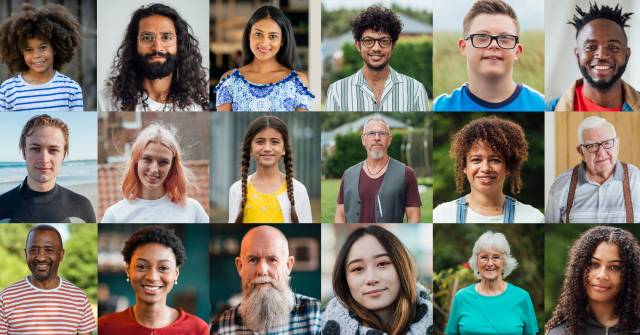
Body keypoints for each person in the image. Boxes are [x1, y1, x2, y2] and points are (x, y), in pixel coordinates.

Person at [433, 0, 544, 112]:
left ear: (517, 50)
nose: (494, 44)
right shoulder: (439, 106)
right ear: (463, 47)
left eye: (505, 38)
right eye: (482, 36)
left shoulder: (541, 104)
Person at [322, 225, 433, 335]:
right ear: (344, 279)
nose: (371, 279)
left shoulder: (436, 319)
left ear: (402, 268)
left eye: (382, 264)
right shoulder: (316, 326)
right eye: (358, 268)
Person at [98, 226, 209, 334]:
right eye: (141, 267)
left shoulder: (198, 329)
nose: (152, 277)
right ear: (128, 270)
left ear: (176, 274)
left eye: (163, 268)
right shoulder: (105, 328)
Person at [211, 225, 321, 334]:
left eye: (272, 260)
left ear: (288, 266)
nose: (262, 270)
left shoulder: (316, 317)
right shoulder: (221, 328)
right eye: (253, 260)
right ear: (240, 266)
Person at [433, 116, 544, 223]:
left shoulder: (532, 217)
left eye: (495, 160)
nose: (485, 168)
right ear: (464, 166)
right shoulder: (442, 215)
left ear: (508, 167)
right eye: (476, 160)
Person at [100, 3, 208, 111]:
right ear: (134, 45)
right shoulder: (105, 102)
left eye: (166, 37)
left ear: (179, 44)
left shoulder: (196, 108)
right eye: (147, 37)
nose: (157, 48)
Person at [325, 6, 429, 111]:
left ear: (393, 45)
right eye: (368, 40)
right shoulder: (337, 92)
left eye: (384, 41)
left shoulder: (416, 90)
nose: (376, 48)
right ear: (358, 45)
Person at [102, 123, 208, 223]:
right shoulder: (114, 215)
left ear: (172, 166)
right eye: (147, 159)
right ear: (136, 160)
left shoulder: (193, 210)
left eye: (163, 162)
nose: (154, 169)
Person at [214, 6, 313, 112]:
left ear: (282, 40)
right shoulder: (229, 81)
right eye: (258, 34)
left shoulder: (297, 81)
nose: (264, 43)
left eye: (273, 36)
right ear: (249, 35)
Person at [0, 225, 96, 334]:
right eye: (34, 250)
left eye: (49, 250)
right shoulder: (6, 298)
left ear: (61, 255)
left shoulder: (79, 299)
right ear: (26, 253)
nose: (41, 257)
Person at [0, 114, 95, 223]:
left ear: (63, 155)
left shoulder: (81, 206)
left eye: (53, 150)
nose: (44, 159)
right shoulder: (2, 205)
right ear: (23, 152)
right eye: (35, 149)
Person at [546, 226, 640, 334]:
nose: (602, 275)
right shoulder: (559, 332)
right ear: (579, 269)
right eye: (594, 264)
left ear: (629, 274)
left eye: (614, 267)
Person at [546, 116, 640, 223]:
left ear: (617, 145)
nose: (601, 152)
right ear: (581, 152)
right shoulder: (561, 185)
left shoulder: (637, 179)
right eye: (592, 146)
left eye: (607, 143)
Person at [547, 3, 639, 111]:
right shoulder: (550, 109)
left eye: (613, 47)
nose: (601, 55)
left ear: (627, 54)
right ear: (577, 55)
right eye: (591, 47)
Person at [446, 231, 538, 335]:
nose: (490, 263)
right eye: (484, 257)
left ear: (505, 261)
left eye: (496, 257)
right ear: (476, 261)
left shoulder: (522, 297)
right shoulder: (461, 297)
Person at [335, 116, 421, 223]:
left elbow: (413, 216)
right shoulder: (348, 174)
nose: (377, 138)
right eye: (371, 133)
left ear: (389, 140)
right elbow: (340, 215)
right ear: (363, 140)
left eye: (382, 133)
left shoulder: (406, 173)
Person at [228, 115, 312, 223]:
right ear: (250, 148)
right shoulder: (236, 190)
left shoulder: (299, 190)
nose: (267, 148)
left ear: (284, 149)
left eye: (274, 142)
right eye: (260, 142)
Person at [0, 3, 83, 112]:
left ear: (56, 48)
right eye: (29, 50)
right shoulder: (8, 90)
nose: (36, 55)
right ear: (20, 53)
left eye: (43, 47)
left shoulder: (71, 89)